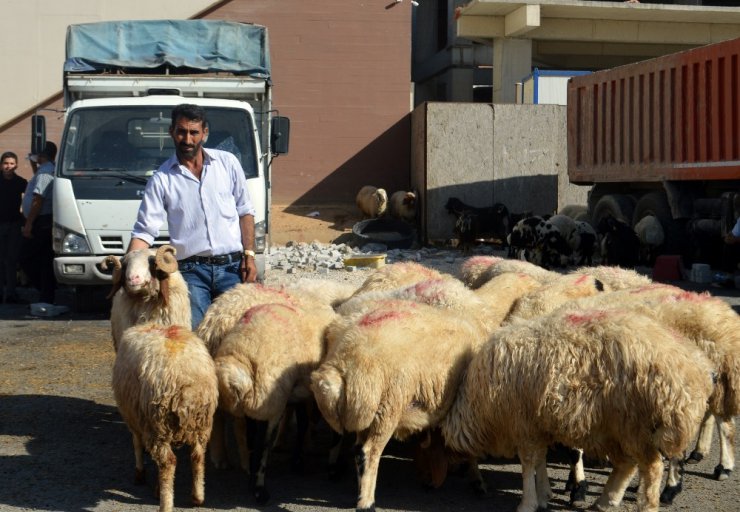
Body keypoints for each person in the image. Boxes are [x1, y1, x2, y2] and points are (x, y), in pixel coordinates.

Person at [128, 103, 257, 329]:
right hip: (191, 274)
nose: (187, 139)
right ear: (172, 132)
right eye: (181, 131)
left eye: (194, 132)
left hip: (233, 269)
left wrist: (249, 255)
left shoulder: (227, 164)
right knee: (196, 336)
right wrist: (128, 268)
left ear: (204, 133)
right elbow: (145, 230)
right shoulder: (162, 179)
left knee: (237, 335)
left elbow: (245, 211)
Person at [21, 141, 57, 304]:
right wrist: (33, 165)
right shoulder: (44, 170)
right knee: (43, 258)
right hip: (42, 219)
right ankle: (46, 293)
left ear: (42, 156)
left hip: (40, 221)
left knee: (28, 258)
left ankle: (45, 290)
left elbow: (38, 199)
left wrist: (29, 224)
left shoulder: (45, 173)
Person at [0, 152, 28, 303]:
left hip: (14, 225)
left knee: (11, 260)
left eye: (11, 163)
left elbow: (32, 197)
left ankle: (11, 293)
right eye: (5, 163)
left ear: (16, 165)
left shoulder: (20, 182)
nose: (8, 166)